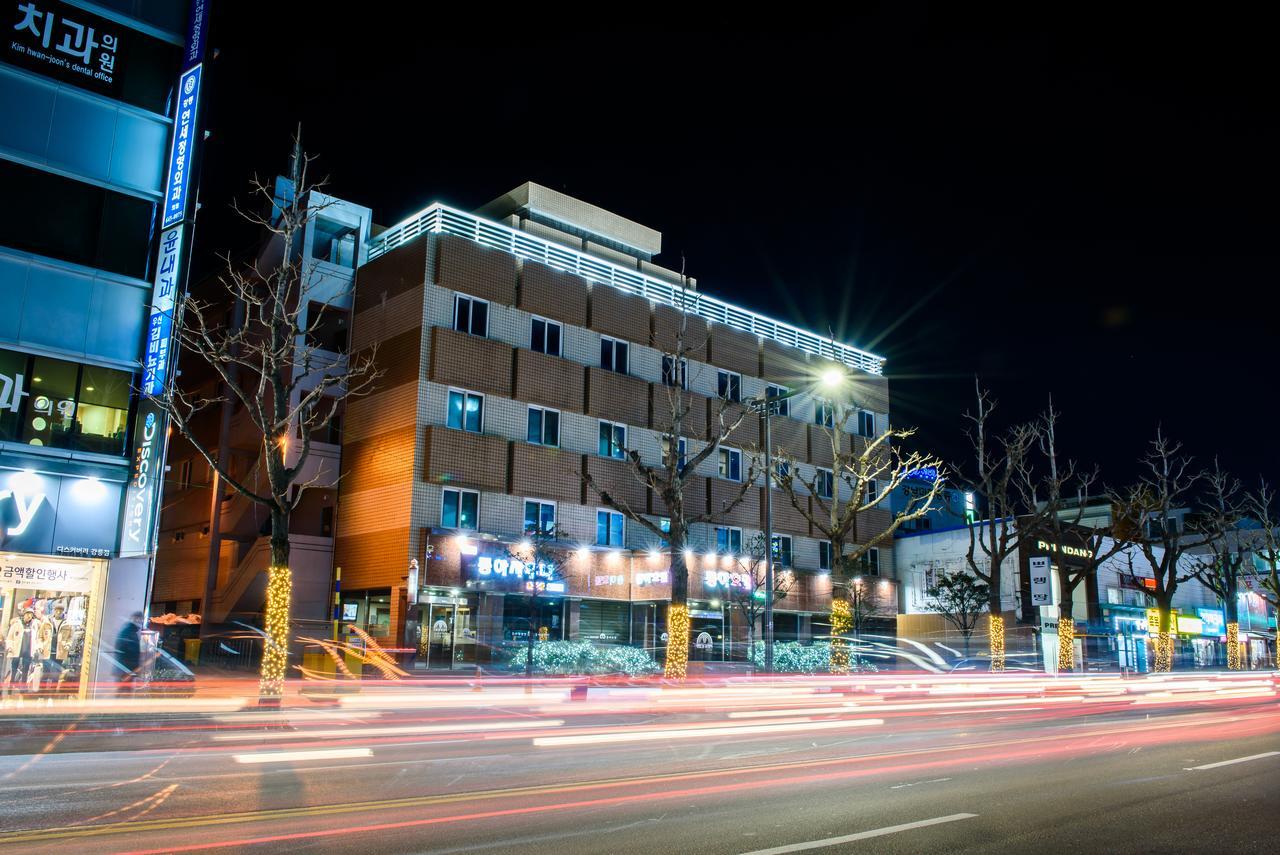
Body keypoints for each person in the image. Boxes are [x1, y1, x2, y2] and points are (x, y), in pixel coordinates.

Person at [115, 611, 143, 690]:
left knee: (123, 691)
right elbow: (131, 652)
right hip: (127, 669)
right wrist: (134, 669)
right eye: (141, 619)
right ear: (136, 619)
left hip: (126, 669)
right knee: (124, 692)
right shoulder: (129, 632)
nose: (141, 622)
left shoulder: (129, 630)